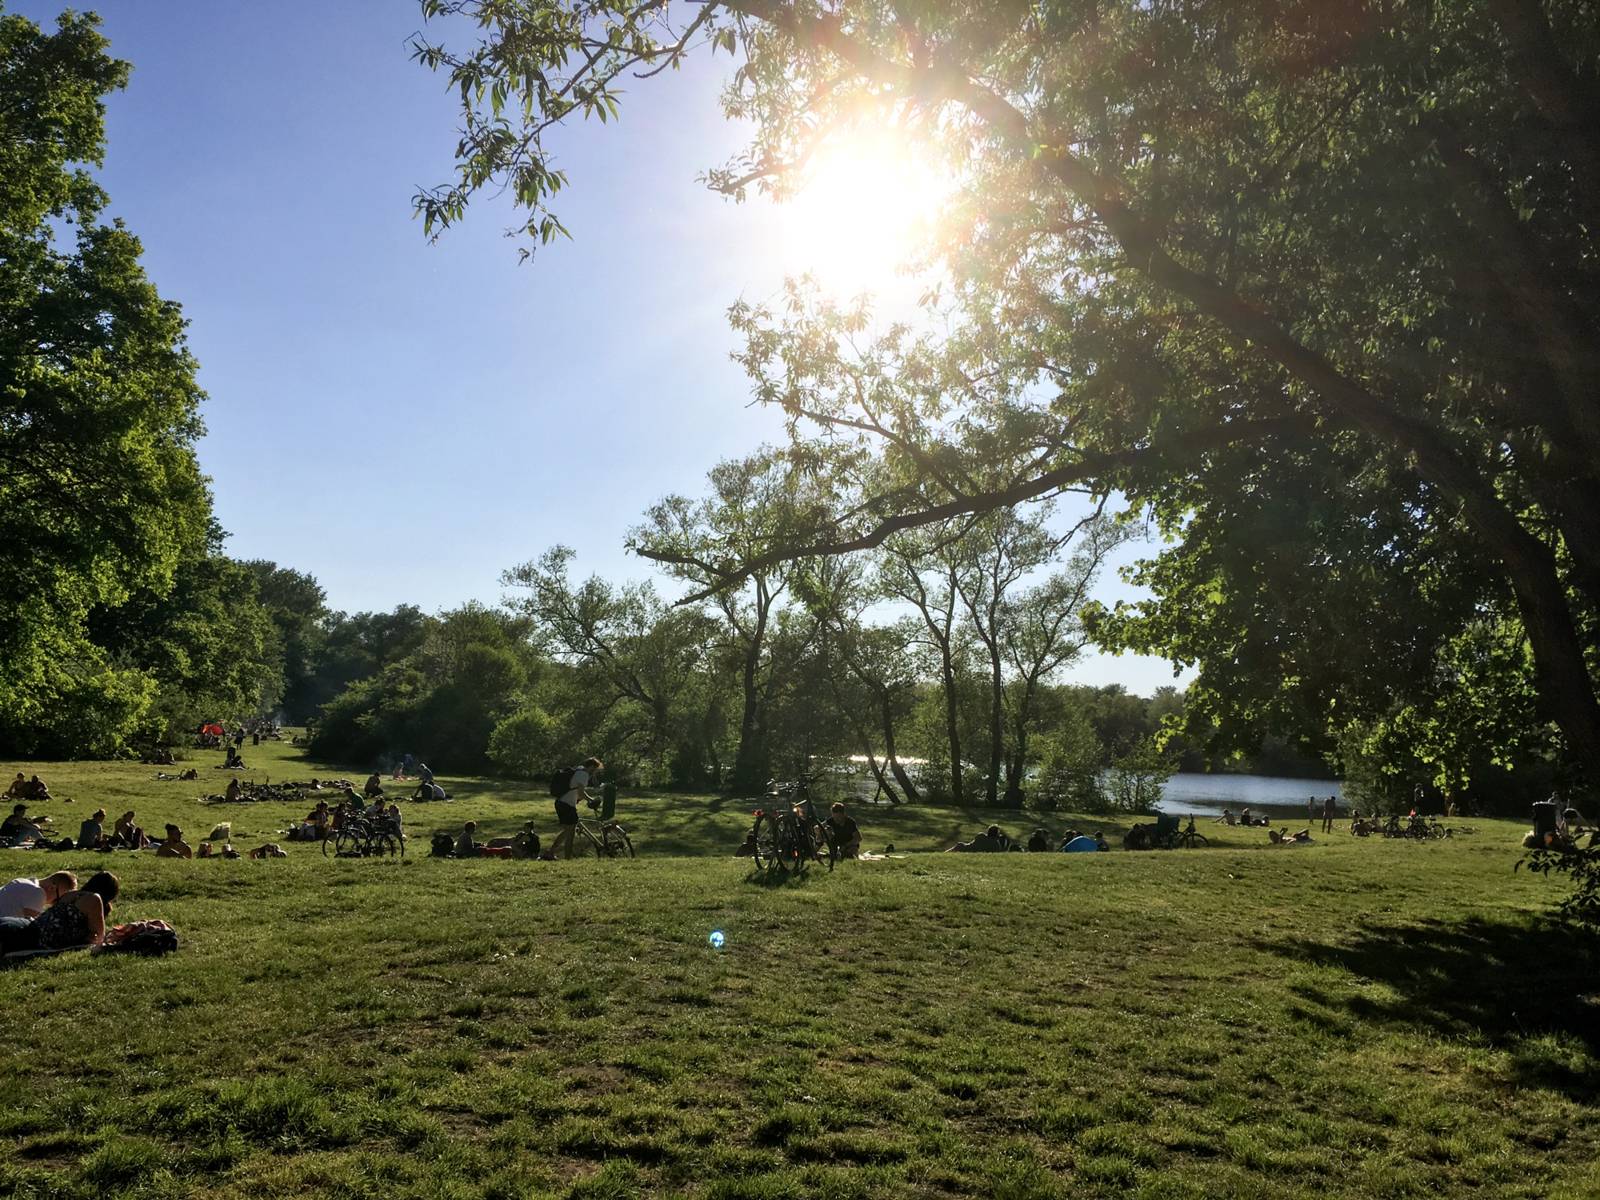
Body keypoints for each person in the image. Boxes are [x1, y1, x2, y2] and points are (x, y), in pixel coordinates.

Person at [0, 871, 119, 955]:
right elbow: (100, 937)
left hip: (22, 925)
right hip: (31, 936)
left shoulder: (70, 895)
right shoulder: (94, 899)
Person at [551, 757, 601, 860]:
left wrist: (578, 799)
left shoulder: (579, 770)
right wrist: (591, 800)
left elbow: (576, 791)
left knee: (568, 831)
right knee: (570, 832)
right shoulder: (583, 774)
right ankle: (566, 858)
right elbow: (581, 793)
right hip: (566, 805)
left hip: (562, 803)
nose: (595, 772)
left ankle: (551, 852)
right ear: (591, 767)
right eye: (595, 769)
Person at [0, 872, 76, 920]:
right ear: (52, 888)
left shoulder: (21, 881)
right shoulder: (38, 892)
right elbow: (37, 927)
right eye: (57, 900)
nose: (53, 904)